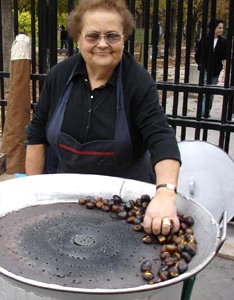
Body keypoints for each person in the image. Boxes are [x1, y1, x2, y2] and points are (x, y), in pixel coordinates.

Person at [25, 0, 181, 237]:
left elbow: (161, 137)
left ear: (124, 38)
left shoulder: (137, 82)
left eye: (112, 36)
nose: (102, 44)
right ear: (78, 37)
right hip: (70, 195)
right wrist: (33, 192)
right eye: (93, 36)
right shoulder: (59, 75)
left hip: (127, 198)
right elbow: (36, 136)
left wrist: (166, 193)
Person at [195, 19, 228, 118]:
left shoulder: (223, 42)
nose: (221, 30)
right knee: (204, 90)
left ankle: (206, 111)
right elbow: (198, 54)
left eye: (222, 28)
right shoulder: (204, 40)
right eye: (219, 28)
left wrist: (226, 71)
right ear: (213, 28)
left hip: (215, 70)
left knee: (211, 91)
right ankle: (202, 112)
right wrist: (201, 64)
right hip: (205, 69)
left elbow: (225, 57)